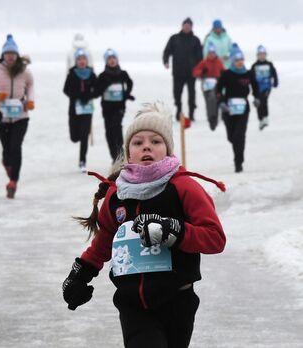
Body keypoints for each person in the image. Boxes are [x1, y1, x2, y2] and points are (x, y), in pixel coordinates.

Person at [62, 101, 226, 348]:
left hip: (177, 299)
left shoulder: (184, 187)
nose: (146, 146)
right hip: (132, 302)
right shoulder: (116, 195)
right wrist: (80, 274)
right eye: (138, 142)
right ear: (128, 153)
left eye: (156, 141)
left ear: (168, 150)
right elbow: (105, 241)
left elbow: (215, 238)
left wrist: (174, 230)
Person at [0, 34, 35, 199]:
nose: (10, 56)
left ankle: (13, 181)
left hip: (21, 116)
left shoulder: (25, 72)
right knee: (7, 150)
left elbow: (30, 87)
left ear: (17, 55)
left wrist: (31, 101)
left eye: (13, 53)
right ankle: (7, 164)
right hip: (2, 116)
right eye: (7, 53)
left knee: (16, 146)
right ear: (3, 55)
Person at [217, 47, 259, 173]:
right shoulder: (226, 74)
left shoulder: (248, 73)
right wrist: (222, 103)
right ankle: (237, 153)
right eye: (237, 60)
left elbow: (255, 87)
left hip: (243, 109)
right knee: (232, 137)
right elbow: (218, 90)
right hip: (228, 109)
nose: (240, 62)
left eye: (241, 59)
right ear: (232, 61)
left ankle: (238, 162)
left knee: (239, 135)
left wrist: (257, 98)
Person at [63, 48, 98, 173]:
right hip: (74, 108)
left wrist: (90, 95)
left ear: (86, 61)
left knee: (84, 136)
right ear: (76, 61)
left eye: (83, 59)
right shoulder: (71, 74)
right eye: (79, 59)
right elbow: (66, 90)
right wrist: (77, 95)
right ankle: (75, 137)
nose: (82, 61)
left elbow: (97, 89)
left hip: (87, 110)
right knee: (75, 137)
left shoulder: (91, 74)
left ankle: (82, 161)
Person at [97, 48, 134, 162]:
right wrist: (105, 85)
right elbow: (98, 91)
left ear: (117, 60)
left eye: (114, 58)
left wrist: (126, 94)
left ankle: (121, 154)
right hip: (107, 108)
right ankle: (114, 156)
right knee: (109, 131)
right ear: (106, 61)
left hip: (119, 107)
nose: (112, 60)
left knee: (117, 127)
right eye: (109, 59)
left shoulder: (122, 74)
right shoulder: (103, 76)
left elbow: (129, 83)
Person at [162, 17, 202, 121]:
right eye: (185, 25)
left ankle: (191, 113)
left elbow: (200, 57)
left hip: (191, 73)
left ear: (191, 27)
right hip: (178, 72)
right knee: (177, 93)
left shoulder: (195, 40)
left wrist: (200, 69)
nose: (187, 27)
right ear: (182, 26)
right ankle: (178, 110)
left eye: (189, 25)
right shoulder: (174, 38)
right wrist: (166, 61)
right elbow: (167, 51)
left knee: (192, 94)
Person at [192, 43, 225, 130]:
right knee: (209, 101)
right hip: (206, 84)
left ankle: (213, 118)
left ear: (215, 53)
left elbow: (224, 72)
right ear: (207, 53)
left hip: (217, 83)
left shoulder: (219, 62)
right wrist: (202, 71)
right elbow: (195, 72)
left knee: (214, 99)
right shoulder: (204, 62)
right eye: (210, 53)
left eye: (213, 53)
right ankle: (211, 118)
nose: (211, 55)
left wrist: (223, 75)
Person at [250, 45, 278, 130]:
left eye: (263, 54)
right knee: (258, 102)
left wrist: (275, 81)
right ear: (257, 55)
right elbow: (251, 77)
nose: (262, 56)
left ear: (266, 55)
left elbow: (274, 73)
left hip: (266, 87)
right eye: (260, 54)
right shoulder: (254, 65)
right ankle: (260, 119)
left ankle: (265, 117)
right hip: (257, 88)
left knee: (263, 100)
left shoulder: (269, 64)